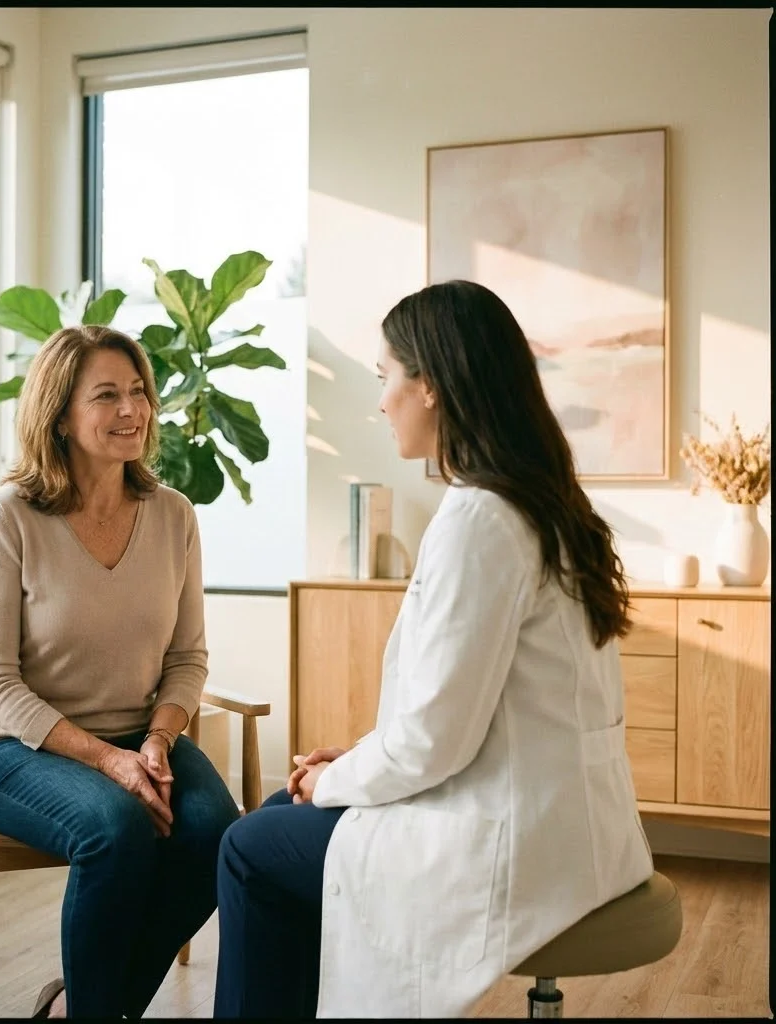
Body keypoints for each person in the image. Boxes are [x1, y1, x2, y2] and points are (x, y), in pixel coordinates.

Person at [213, 280, 655, 1019]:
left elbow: (434, 740)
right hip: (574, 830)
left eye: (385, 376)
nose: (379, 400)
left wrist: (336, 781)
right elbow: (462, 709)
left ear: (432, 387)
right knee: (274, 818)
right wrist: (347, 764)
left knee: (249, 849)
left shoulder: (480, 518)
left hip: (515, 849)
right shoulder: (543, 506)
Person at [0, 324, 240, 1019]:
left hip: (140, 736)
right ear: (59, 415)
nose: (131, 410)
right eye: (106, 395)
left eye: (138, 391)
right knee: (114, 827)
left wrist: (158, 742)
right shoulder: (7, 517)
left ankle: (81, 1010)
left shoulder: (173, 515)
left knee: (216, 837)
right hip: (7, 751)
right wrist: (109, 761)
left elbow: (187, 657)